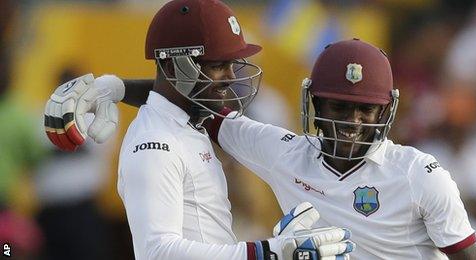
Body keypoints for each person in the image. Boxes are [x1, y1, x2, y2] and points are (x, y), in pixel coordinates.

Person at [45, 1, 354, 260]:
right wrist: (267, 252)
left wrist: (117, 87)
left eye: (232, 63)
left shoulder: (191, 120)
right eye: (217, 64)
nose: (231, 77)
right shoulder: (155, 143)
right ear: (173, 65)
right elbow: (157, 251)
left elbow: (167, 94)